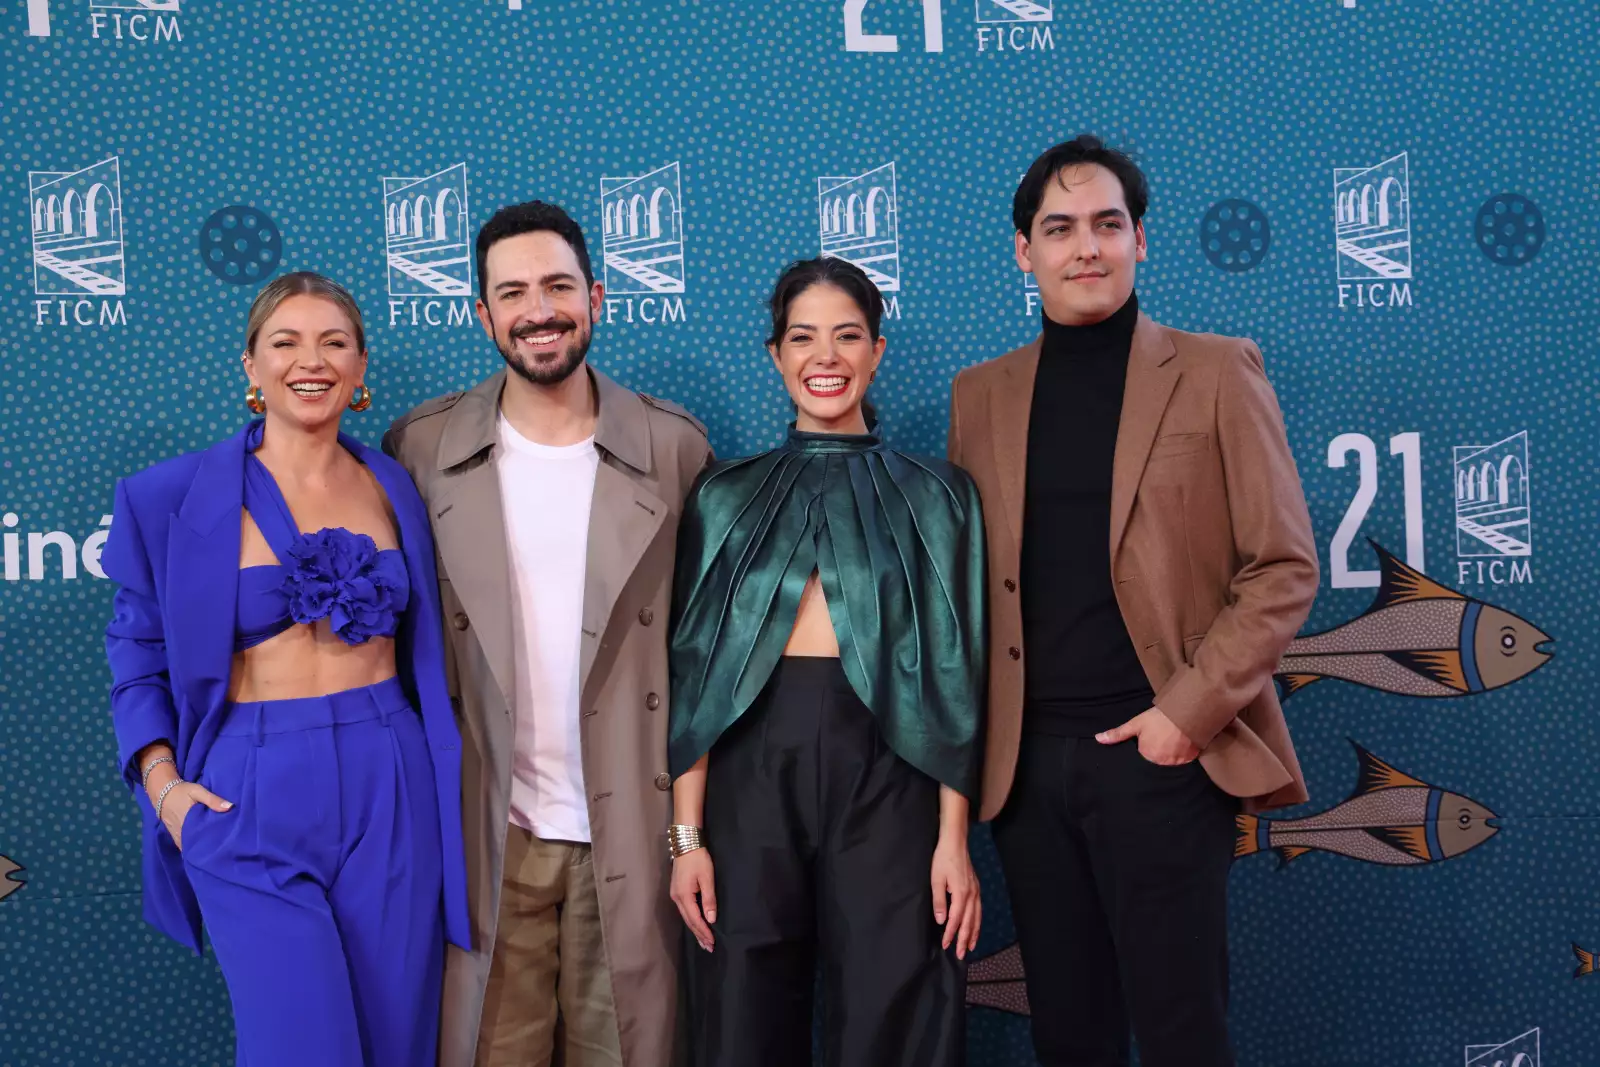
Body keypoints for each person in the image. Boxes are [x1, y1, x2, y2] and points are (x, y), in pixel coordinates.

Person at [947, 134, 1319, 1067]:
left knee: (1183, 1030)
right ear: (1023, 250)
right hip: (1028, 771)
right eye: (1059, 228)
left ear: (1140, 240)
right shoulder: (979, 395)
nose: (1086, 247)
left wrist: (1183, 717)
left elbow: (1282, 567)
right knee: (1069, 1035)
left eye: (1107, 225)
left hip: (1163, 757)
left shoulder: (1217, 369)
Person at [103, 271, 471, 1067]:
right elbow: (136, 658)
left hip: (390, 777)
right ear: (251, 364)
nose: (312, 361)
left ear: (360, 366)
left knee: (396, 1041)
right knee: (302, 1046)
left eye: (334, 342)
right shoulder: (169, 496)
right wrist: (164, 788)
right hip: (248, 787)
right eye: (286, 342)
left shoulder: (395, 484)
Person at [383, 200, 712, 1067]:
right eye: (514, 292)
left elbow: (706, 661)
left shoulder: (675, 448)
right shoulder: (420, 449)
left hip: (631, 826)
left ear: (596, 297)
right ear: (482, 313)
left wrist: (689, 835)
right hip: (488, 834)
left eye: (559, 286)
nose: (540, 310)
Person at [667, 256, 985, 1067]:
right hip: (749, 772)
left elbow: (954, 676)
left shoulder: (939, 496)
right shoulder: (722, 495)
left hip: (893, 770)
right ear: (775, 354)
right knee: (740, 1007)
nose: (826, 356)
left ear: (877, 350)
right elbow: (698, 680)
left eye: (847, 335)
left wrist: (953, 840)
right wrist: (686, 838)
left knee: (893, 1002)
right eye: (803, 337)